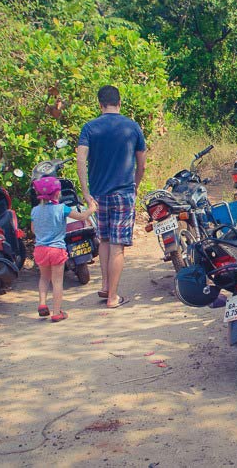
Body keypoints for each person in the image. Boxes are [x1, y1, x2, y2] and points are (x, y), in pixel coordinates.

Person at [77, 85, 147, 309]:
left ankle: (106, 285)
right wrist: (134, 186)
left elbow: (80, 160)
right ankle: (112, 297)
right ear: (119, 103)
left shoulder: (89, 128)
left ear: (100, 104)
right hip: (123, 193)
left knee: (105, 240)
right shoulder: (132, 127)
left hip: (98, 195)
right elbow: (142, 164)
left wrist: (86, 192)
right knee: (118, 245)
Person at [31, 176, 97, 322]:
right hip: (56, 249)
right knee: (57, 281)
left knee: (44, 278)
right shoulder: (62, 208)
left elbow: (34, 229)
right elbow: (81, 217)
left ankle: (42, 304)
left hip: (40, 249)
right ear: (57, 194)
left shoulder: (34, 211)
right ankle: (56, 312)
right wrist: (91, 208)